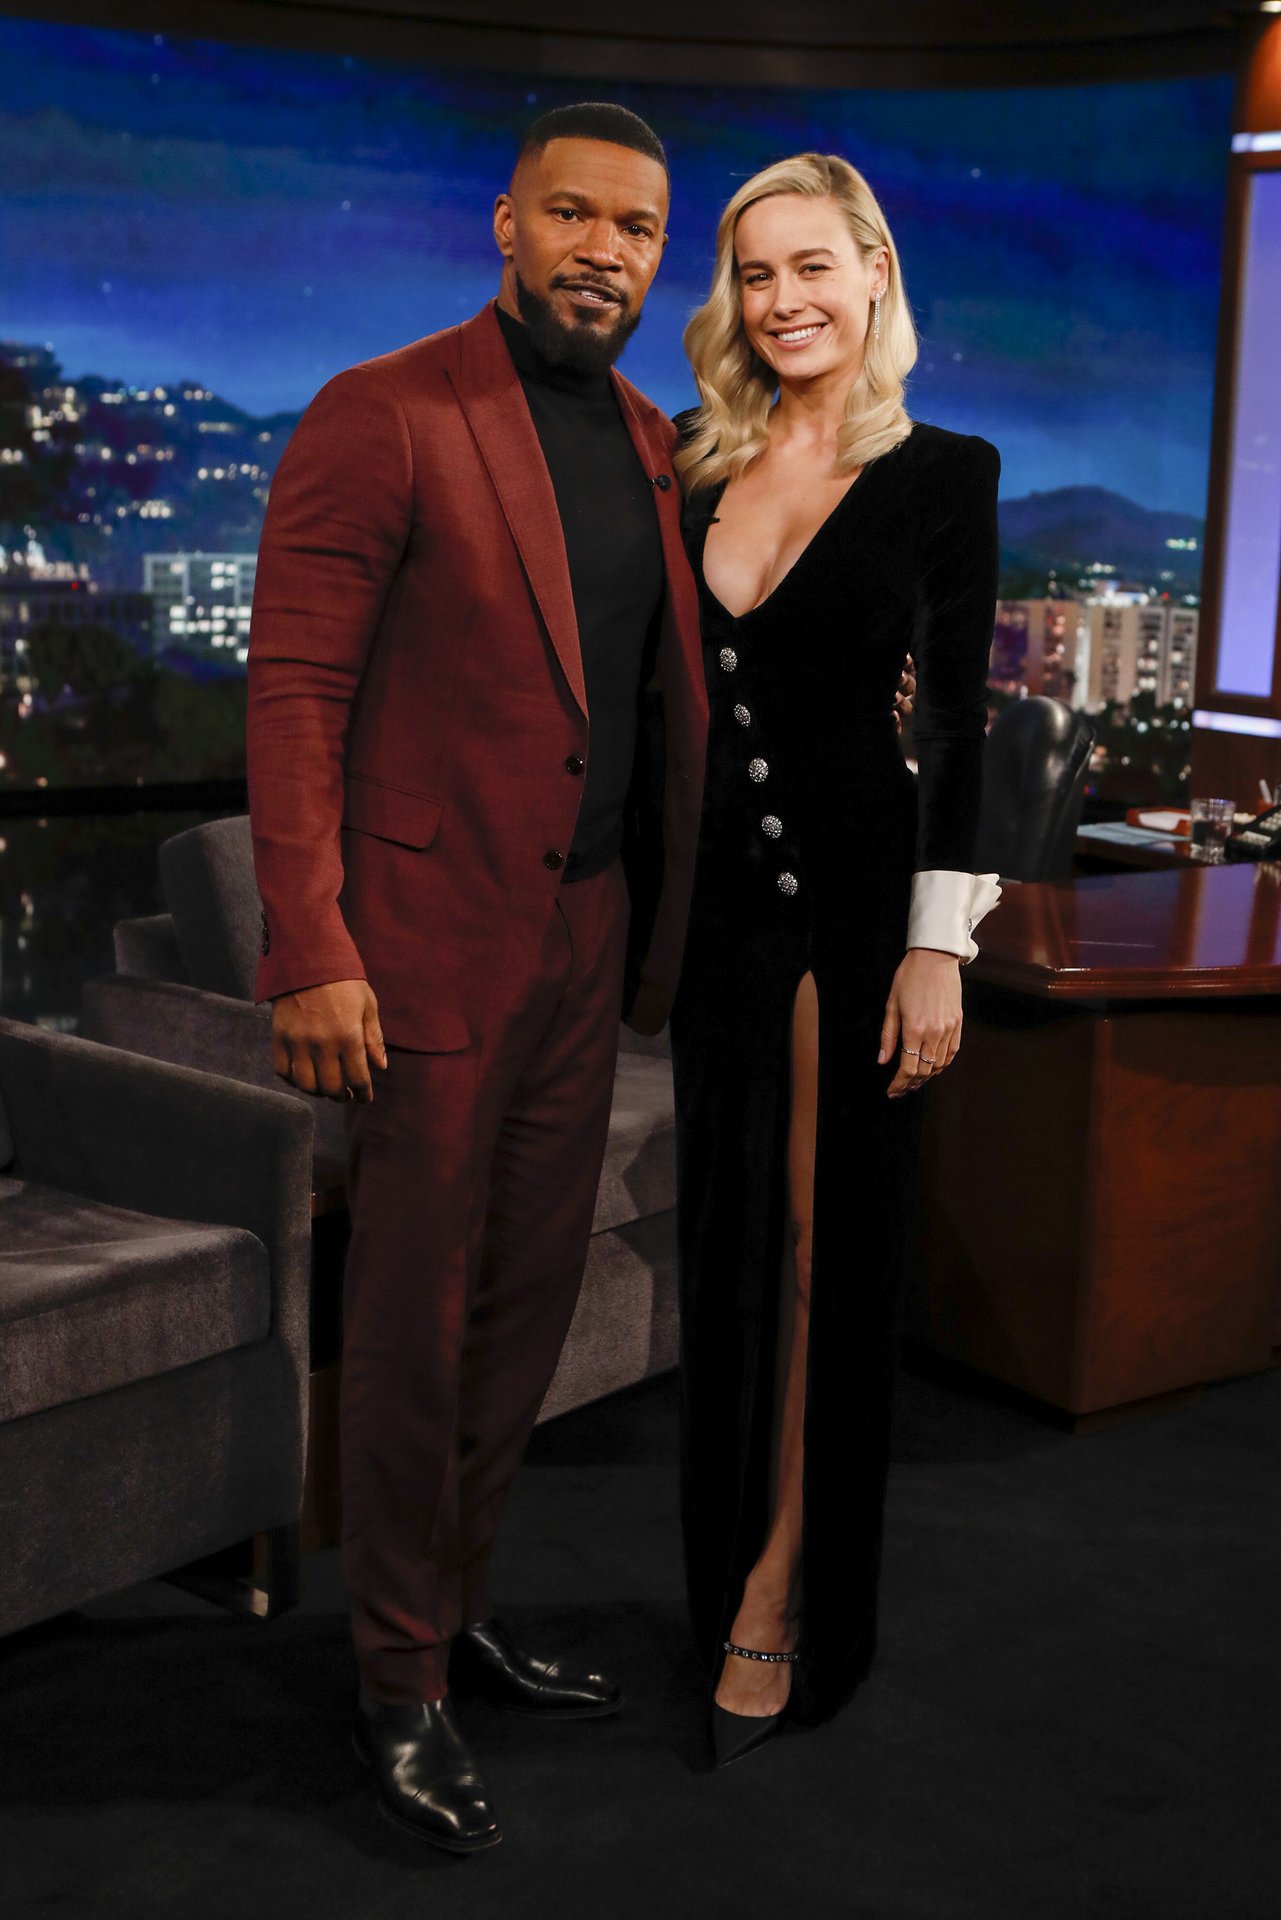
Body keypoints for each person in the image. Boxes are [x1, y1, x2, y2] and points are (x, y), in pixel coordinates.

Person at [246, 102, 711, 1854]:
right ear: (505, 223)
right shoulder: (385, 409)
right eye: (573, 215)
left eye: (636, 229)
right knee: (411, 1324)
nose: (605, 251)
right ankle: (393, 1680)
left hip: (585, 940)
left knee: (520, 1311)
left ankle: (452, 1617)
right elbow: (295, 693)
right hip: (420, 951)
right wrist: (311, 947)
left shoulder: (655, 441)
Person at [669, 151, 1002, 1765]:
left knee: (823, 1254)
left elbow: (958, 718)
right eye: (755, 274)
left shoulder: (943, 473)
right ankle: (725, 1559)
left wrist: (937, 946)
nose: (783, 299)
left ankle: (787, 1589)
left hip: (864, 912)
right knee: (730, 1256)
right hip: (715, 918)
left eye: (812, 265)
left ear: (873, 271)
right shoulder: (688, 464)